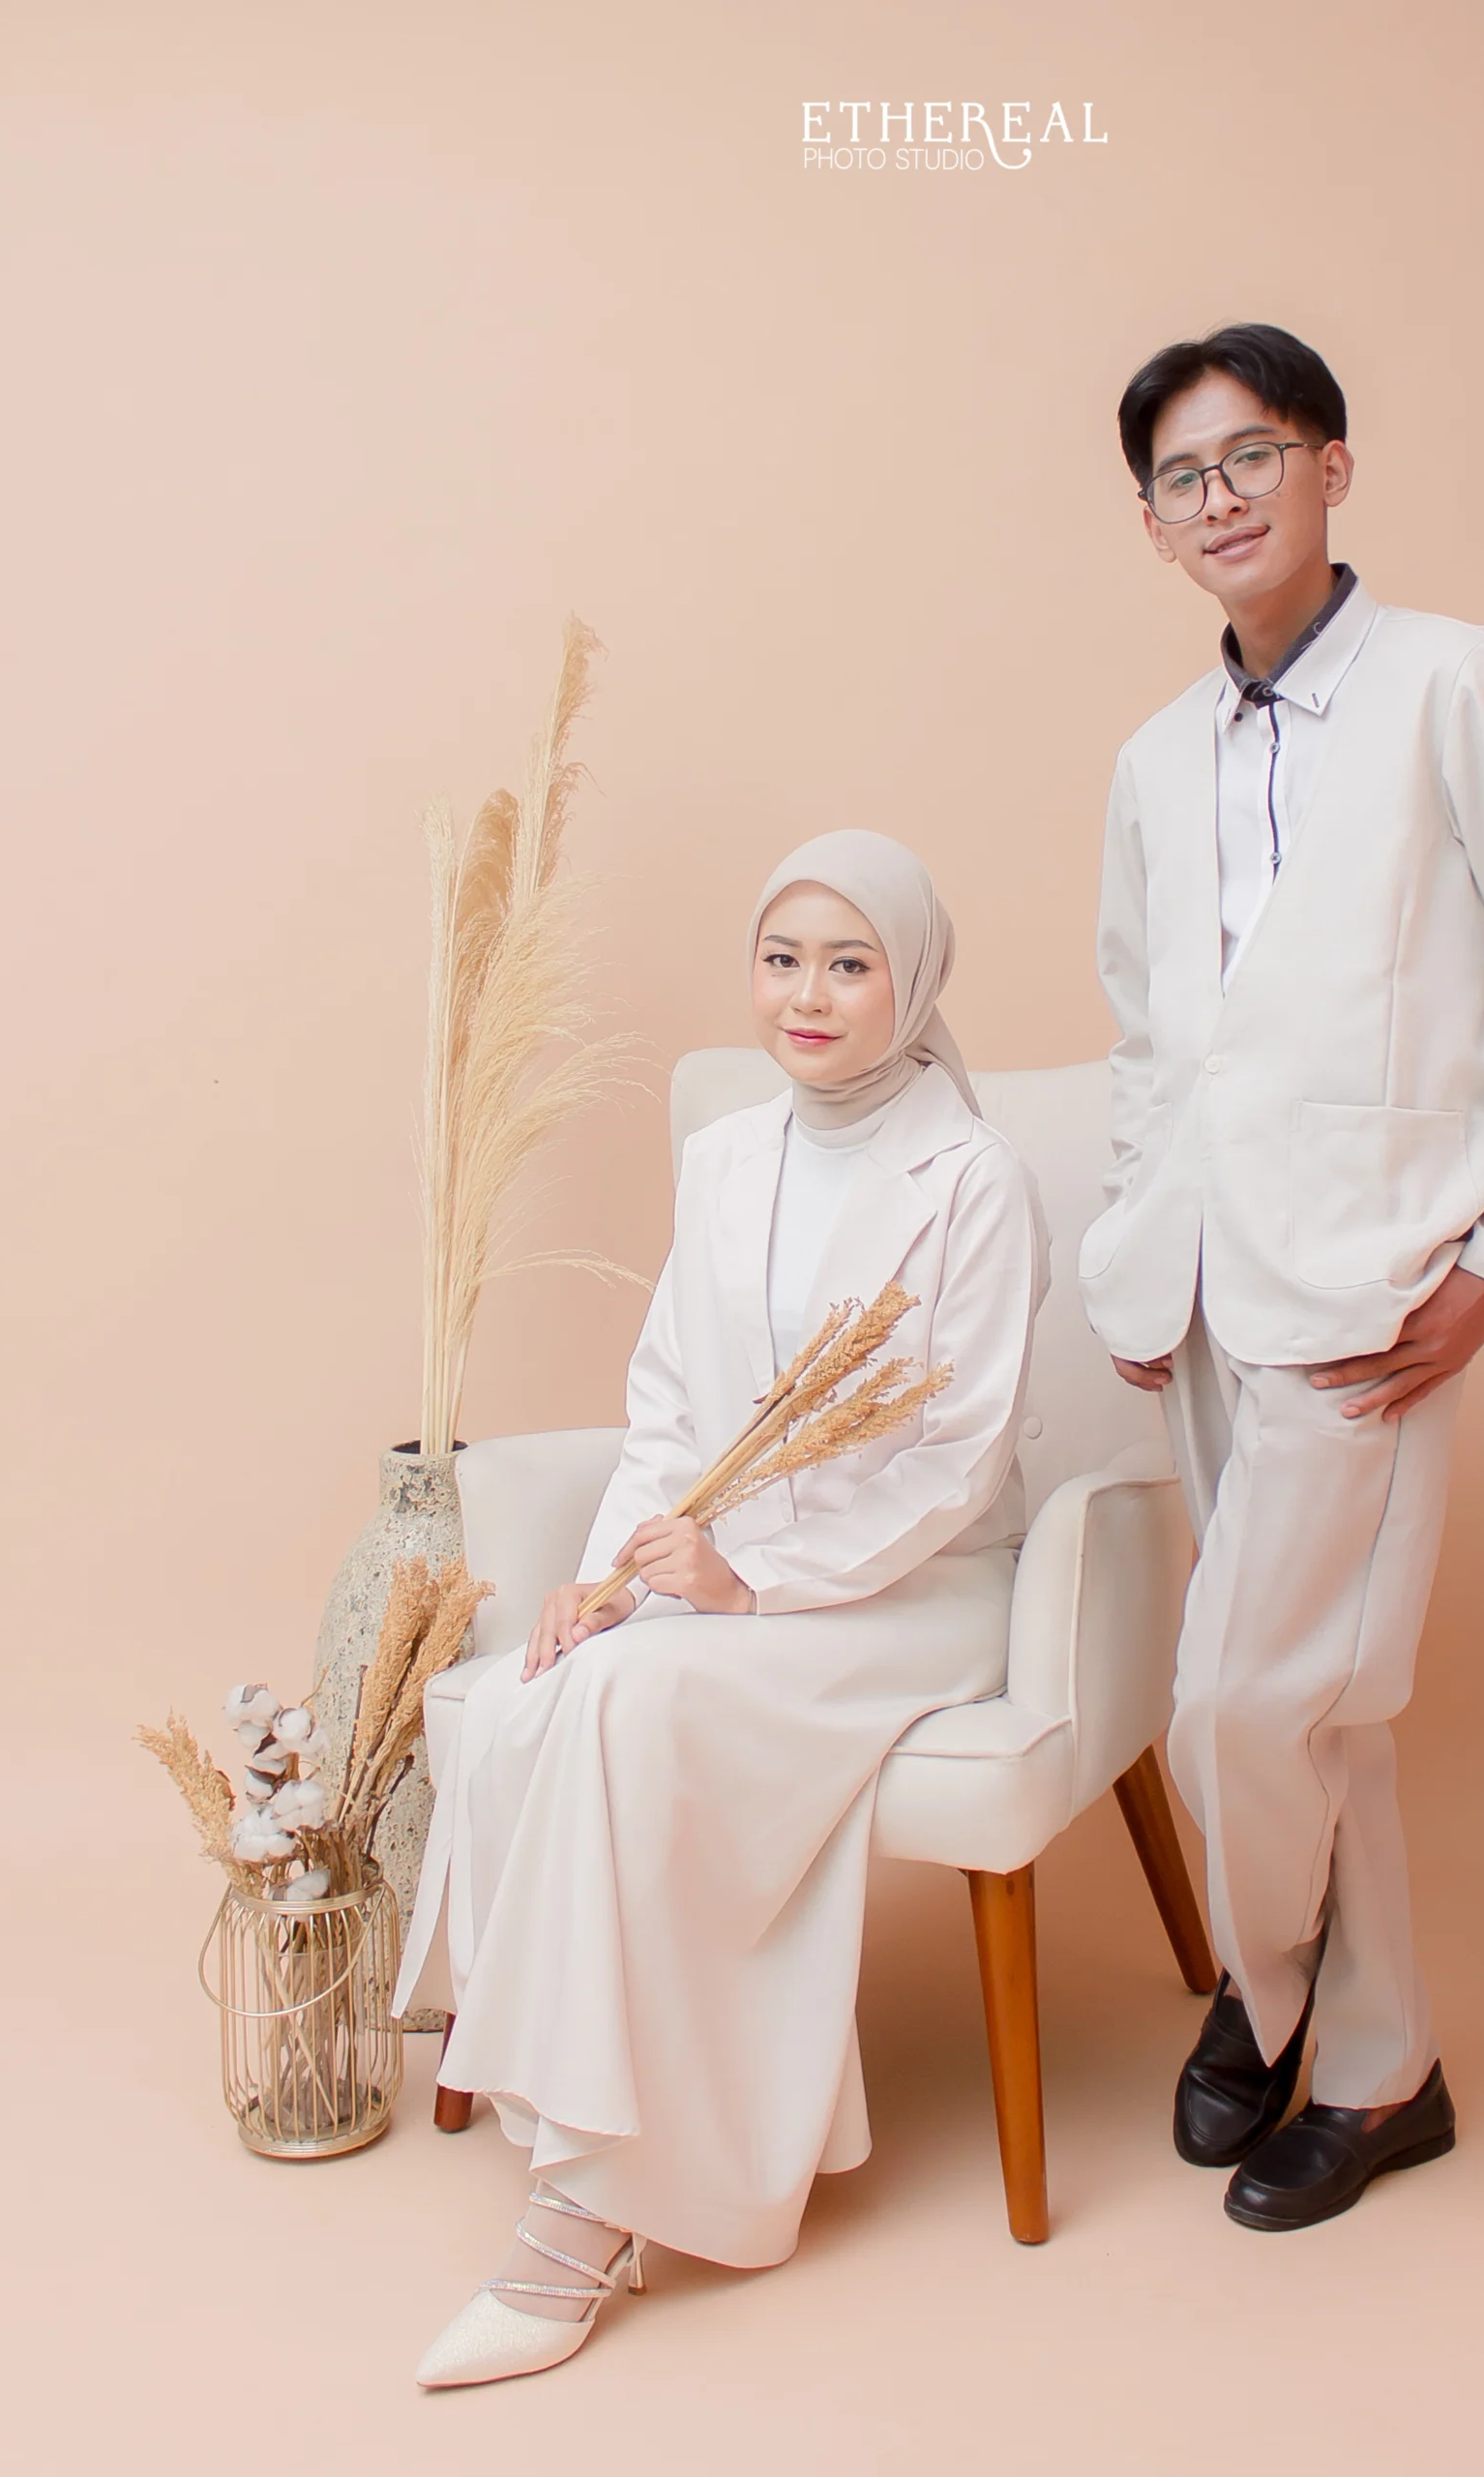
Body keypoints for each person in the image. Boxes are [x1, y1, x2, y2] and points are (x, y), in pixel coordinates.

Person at [1082, 323, 1484, 2232]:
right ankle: (1387, 2068)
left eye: (1251, 455)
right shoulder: (1154, 758)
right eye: (1181, 476)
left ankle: (1268, 1986)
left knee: (1244, 1701)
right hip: (1202, 1290)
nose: (1219, 496)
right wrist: (1139, 1248)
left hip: (1374, 1285)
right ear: (1152, 524)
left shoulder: (1461, 686)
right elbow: (1150, 1034)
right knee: (1313, 1704)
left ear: (1328, 465)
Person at [398, 830, 1047, 2387]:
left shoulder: (975, 1177)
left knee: (632, 1705)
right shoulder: (728, 1156)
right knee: (555, 1688)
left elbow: (959, 1463)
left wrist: (759, 1585)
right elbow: (674, 1406)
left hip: (906, 1593)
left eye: (849, 964)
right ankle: (583, 2132)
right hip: (715, 1563)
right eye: (782, 959)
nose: (807, 996)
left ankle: (582, 2227)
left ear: (914, 980)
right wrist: (613, 1580)